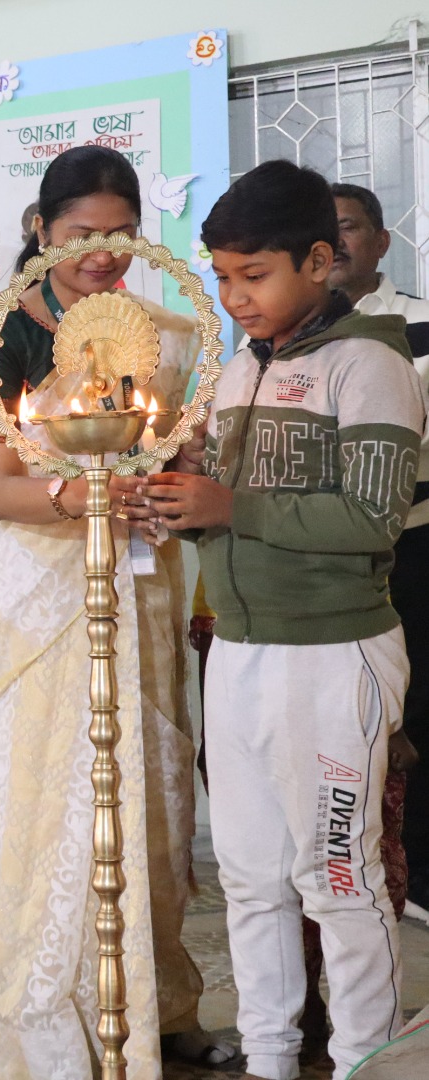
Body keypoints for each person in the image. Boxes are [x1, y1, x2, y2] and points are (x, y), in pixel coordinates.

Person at [129, 160, 428, 1080]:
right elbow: (230, 511)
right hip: (240, 651)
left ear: (319, 261)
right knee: (252, 878)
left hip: (335, 651)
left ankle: (364, 1060)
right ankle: (268, 1058)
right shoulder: (235, 375)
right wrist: (179, 503)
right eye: (222, 276)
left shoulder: (371, 365)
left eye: (253, 275)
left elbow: (372, 517)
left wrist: (229, 505)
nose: (234, 297)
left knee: (338, 880)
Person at [0, 145, 221, 1078]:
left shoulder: (167, 335)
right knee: (40, 793)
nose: (103, 253)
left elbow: (182, 457)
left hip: (135, 581)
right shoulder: (5, 334)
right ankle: (40, 1014)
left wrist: (171, 485)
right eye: (81, 233)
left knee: (150, 790)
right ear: (40, 229)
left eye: (122, 233)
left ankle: (155, 1007)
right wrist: (91, 498)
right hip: (24, 591)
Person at [327, 182, 429, 925]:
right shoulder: (287, 337)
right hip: (326, 554)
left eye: (350, 227)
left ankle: (418, 871)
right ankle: (359, 869)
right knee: (349, 719)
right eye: (323, 230)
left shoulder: (420, 324)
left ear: (381, 241)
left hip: (413, 542)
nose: (336, 242)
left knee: (416, 709)